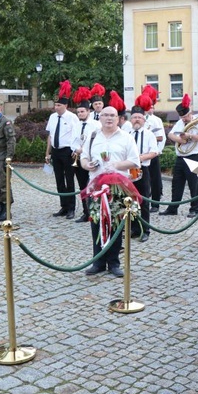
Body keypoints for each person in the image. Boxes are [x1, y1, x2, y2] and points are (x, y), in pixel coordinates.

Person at [80, 105, 141, 277]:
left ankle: (114, 263)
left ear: (119, 118)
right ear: (99, 117)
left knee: (115, 224)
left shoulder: (126, 137)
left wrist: (115, 165)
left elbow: (134, 161)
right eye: (105, 115)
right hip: (96, 186)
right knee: (96, 223)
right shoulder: (93, 136)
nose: (109, 118)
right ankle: (98, 261)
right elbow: (84, 157)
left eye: (112, 115)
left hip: (118, 187)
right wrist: (87, 165)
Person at [161, 94, 198, 217]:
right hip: (180, 157)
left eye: (186, 116)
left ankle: (194, 209)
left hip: (193, 156)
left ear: (190, 112)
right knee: (177, 183)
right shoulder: (180, 122)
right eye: (182, 117)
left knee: (194, 184)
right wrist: (180, 140)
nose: (184, 119)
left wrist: (190, 136)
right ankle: (173, 208)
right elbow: (170, 134)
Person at [45, 81, 79, 219]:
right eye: (55, 104)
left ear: (66, 105)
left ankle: (71, 208)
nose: (56, 107)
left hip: (67, 151)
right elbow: (50, 135)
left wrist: (75, 151)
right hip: (56, 150)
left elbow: (76, 136)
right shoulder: (52, 117)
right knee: (59, 179)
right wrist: (47, 152)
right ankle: (63, 206)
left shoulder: (72, 118)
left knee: (69, 180)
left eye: (59, 105)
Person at [129, 95, 159, 243]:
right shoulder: (126, 134)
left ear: (144, 119)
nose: (136, 120)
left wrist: (140, 158)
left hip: (143, 169)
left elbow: (154, 152)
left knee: (143, 200)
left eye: (139, 118)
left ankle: (145, 229)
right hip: (128, 171)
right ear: (130, 119)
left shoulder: (149, 134)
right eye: (134, 117)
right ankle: (134, 228)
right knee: (130, 200)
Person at [71, 87, 101, 223]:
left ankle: (95, 211)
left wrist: (85, 149)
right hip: (79, 158)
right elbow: (72, 141)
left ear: (88, 111)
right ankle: (85, 212)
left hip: (92, 158)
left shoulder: (96, 125)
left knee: (94, 185)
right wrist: (76, 149)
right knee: (82, 186)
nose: (80, 114)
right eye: (78, 112)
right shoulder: (76, 125)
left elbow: (99, 141)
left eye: (82, 111)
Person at [141, 85, 165, 212]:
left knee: (155, 179)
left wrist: (156, 149)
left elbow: (161, 137)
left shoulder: (156, 120)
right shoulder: (138, 118)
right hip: (140, 155)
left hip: (152, 153)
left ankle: (155, 203)